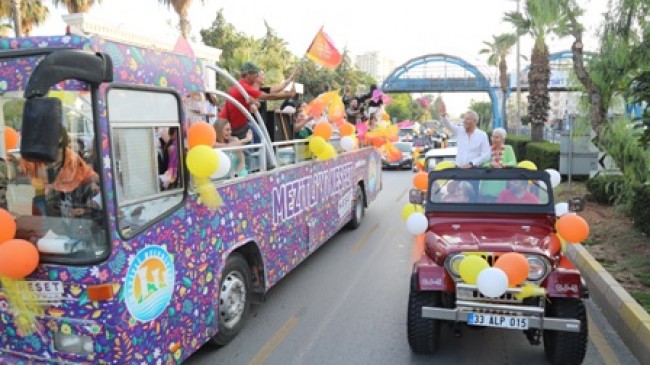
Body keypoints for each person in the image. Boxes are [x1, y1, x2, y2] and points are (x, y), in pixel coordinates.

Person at [439, 102, 491, 168]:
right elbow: (448, 125)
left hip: (474, 171)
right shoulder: (459, 130)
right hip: (459, 170)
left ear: (475, 121)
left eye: (467, 119)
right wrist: (443, 116)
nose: (464, 121)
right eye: (464, 119)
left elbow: (486, 154)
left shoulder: (482, 135)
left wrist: (472, 163)